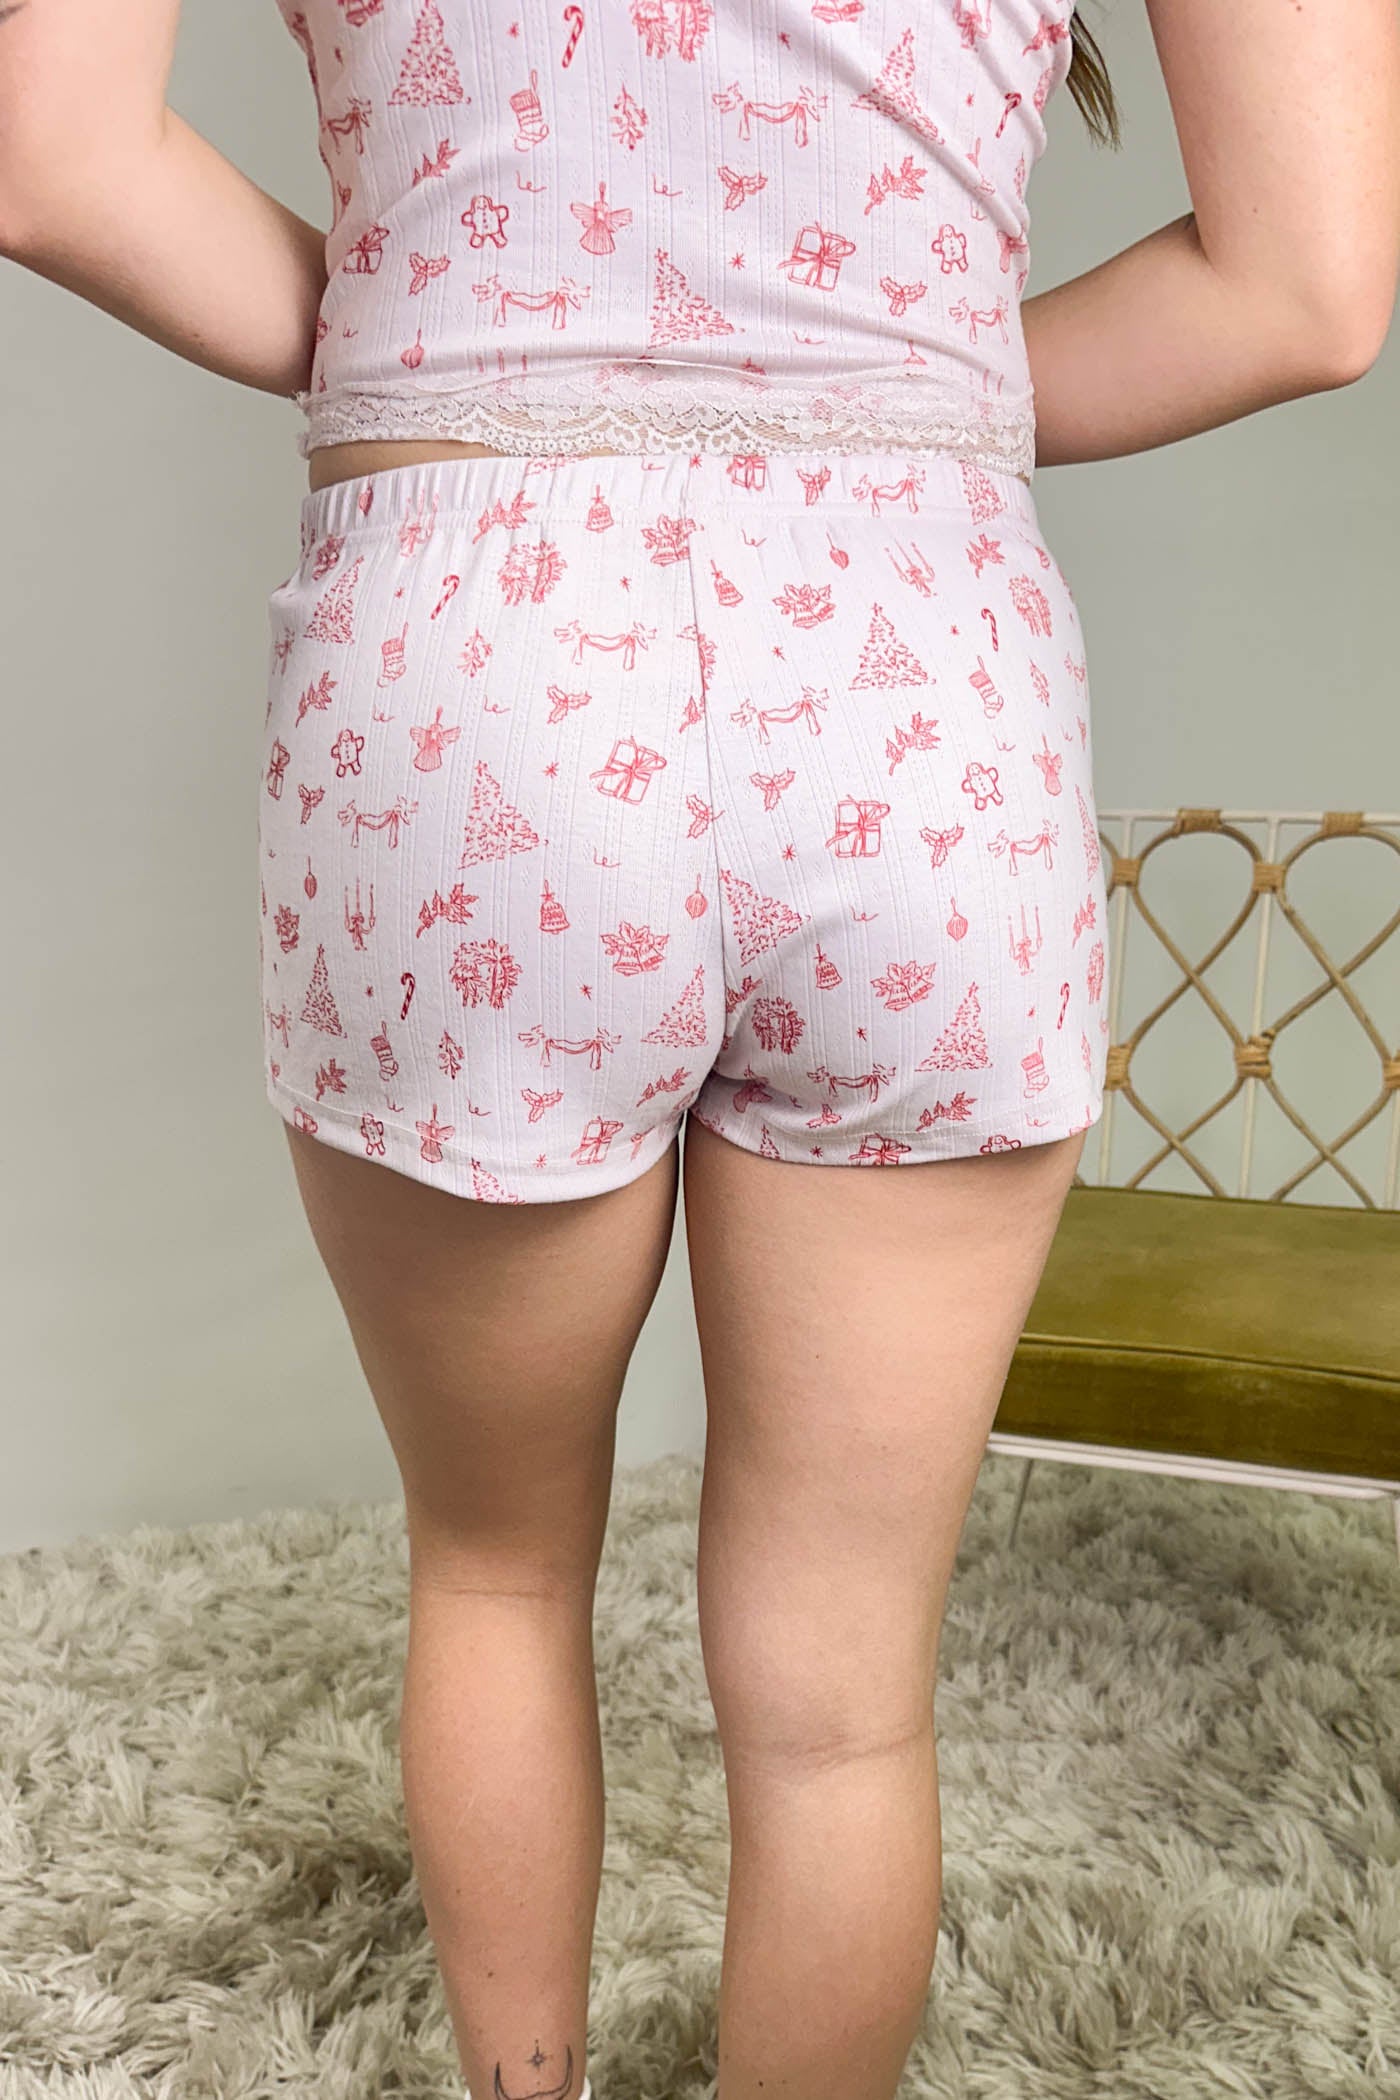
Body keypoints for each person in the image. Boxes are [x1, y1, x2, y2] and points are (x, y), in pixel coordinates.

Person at [3, 3, 1396, 2096]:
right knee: (840, 1695)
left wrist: (444, 347)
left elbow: (55, 165)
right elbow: (1304, 294)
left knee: (490, 1567)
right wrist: (886, 391)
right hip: (916, 694)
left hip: (470, 671)